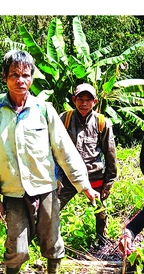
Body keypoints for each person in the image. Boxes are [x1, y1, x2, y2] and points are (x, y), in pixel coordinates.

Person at [0, 50, 100, 274]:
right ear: (4, 77)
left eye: (25, 75)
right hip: (13, 191)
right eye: (14, 74)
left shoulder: (44, 110)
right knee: (17, 243)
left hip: (45, 187)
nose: (20, 81)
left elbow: (64, 149)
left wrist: (84, 185)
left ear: (32, 78)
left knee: (51, 235)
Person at [57, 83, 117, 248]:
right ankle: (49, 239)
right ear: (74, 100)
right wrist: (56, 177)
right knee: (54, 207)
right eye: (80, 99)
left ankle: (102, 240)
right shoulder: (64, 119)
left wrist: (108, 183)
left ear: (95, 102)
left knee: (100, 211)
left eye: (88, 100)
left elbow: (110, 154)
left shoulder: (102, 123)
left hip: (94, 175)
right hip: (69, 175)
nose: (84, 103)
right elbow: (55, 149)